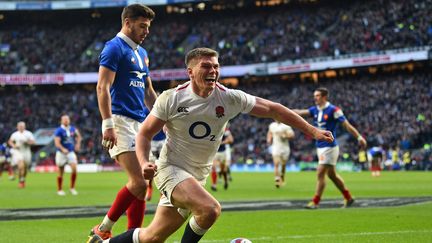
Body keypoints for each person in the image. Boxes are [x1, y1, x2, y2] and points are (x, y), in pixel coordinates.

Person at [88, 47, 333, 243]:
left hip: (196, 176)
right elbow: (143, 134)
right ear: (190, 72)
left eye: (216, 66)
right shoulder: (171, 99)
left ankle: (103, 242)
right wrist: (144, 163)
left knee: (152, 237)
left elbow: (273, 109)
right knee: (210, 209)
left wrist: (311, 130)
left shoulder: (229, 97)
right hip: (170, 169)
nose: (213, 70)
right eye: (206, 66)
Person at [88, 3, 158, 241]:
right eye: (142, 26)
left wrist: (164, 118)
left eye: (148, 27)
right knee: (138, 182)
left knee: (143, 182)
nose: (146, 31)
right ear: (127, 23)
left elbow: (148, 91)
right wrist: (107, 124)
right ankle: (103, 228)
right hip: (120, 121)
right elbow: (102, 87)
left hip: (140, 124)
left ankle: (131, 236)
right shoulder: (114, 48)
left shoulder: (142, 53)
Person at [293, 87, 367, 209]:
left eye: (317, 96)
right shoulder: (315, 110)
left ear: (324, 97)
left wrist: (359, 137)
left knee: (320, 173)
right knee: (332, 175)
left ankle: (315, 202)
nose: (315, 98)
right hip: (320, 146)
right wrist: (283, 111)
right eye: (314, 96)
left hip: (330, 146)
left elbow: (347, 125)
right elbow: (301, 112)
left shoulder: (334, 110)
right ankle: (348, 198)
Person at [54, 114, 82, 196]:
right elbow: (57, 142)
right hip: (61, 153)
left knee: (74, 169)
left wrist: (78, 144)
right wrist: (62, 149)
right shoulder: (59, 130)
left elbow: (79, 137)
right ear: (61, 121)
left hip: (70, 152)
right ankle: (60, 189)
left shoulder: (73, 129)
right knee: (61, 171)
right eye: (64, 119)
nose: (66, 121)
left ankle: (72, 188)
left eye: (67, 119)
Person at [143, 106, 166, 202]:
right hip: (151, 141)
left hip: (163, 140)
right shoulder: (145, 110)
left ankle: (163, 193)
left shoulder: (163, 107)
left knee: (163, 166)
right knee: (150, 167)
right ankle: (149, 189)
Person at [267, 120, 294, 188]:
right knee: (276, 163)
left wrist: (285, 136)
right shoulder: (272, 125)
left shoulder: (286, 125)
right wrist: (269, 139)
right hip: (276, 147)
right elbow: (270, 133)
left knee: (283, 165)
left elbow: (292, 135)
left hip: (285, 148)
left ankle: (282, 176)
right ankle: (277, 179)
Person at [8, 121, 35, 188]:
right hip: (18, 151)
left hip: (26, 151)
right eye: (19, 126)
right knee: (21, 166)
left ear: (24, 127)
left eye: (22, 126)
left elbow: (33, 142)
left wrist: (27, 142)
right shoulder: (15, 134)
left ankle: (22, 179)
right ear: (17, 127)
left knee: (25, 168)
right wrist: (14, 146)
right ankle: (21, 181)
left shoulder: (28, 134)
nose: (21, 127)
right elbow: (10, 141)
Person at [210, 126, 234, 191]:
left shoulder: (225, 129)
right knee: (214, 168)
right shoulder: (211, 127)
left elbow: (231, 140)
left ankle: (226, 181)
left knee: (223, 171)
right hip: (215, 152)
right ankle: (214, 185)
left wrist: (222, 143)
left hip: (222, 153)